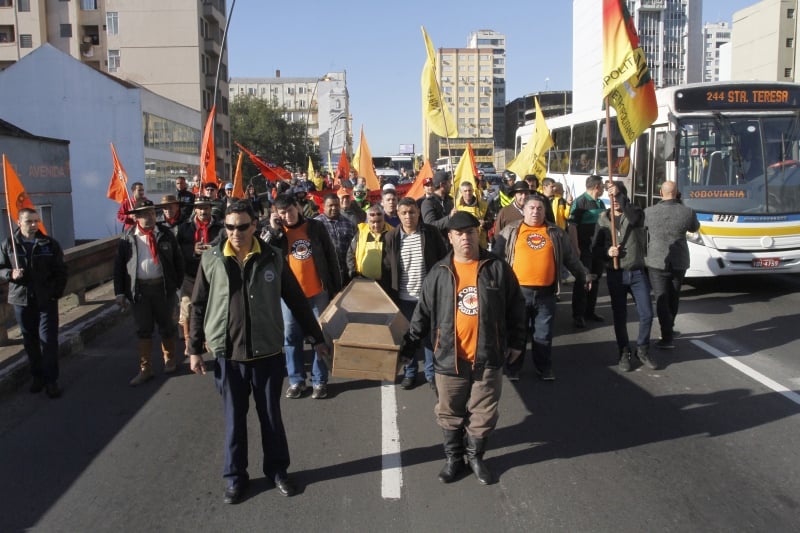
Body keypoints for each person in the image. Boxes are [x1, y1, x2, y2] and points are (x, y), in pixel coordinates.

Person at [188, 201, 329, 504]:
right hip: (229, 356)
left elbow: (297, 301)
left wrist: (317, 338)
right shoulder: (212, 259)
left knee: (271, 418)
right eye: (229, 227)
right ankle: (235, 478)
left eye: (242, 226)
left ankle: (278, 471)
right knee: (234, 420)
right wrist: (194, 349)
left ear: (254, 224)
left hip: (266, 354)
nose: (235, 232)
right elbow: (198, 305)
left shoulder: (273, 258)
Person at [399, 212, 526, 485]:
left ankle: (476, 457)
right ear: (450, 237)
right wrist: (409, 346)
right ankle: (453, 459)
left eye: (470, 232)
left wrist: (517, 342)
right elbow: (422, 313)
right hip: (449, 358)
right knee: (449, 412)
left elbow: (516, 307)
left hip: (488, 356)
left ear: (477, 234)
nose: (465, 238)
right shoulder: (439, 272)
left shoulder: (497, 267)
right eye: (459, 234)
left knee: (483, 413)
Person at [493, 196, 589, 381]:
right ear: (524, 210)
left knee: (543, 335)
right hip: (518, 293)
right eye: (531, 208)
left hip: (546, 294)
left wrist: (584, 275)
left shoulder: (556, 232)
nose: (535, 211)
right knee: (516, 334)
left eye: (539, 208)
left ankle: (543, 367)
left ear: (545, 211)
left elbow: (571, 258)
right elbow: (495, 257)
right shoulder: (511, 230)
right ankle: (513, 368)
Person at [267, 193, 342, 399]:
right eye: (282, 212)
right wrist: (274, 231)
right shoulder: (276, 232)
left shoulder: (315, 227)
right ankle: (296, 381)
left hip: (318, 291)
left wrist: (336, 287)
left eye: (290, 210)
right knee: (291, 338)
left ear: (298, 208)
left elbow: (330, 256)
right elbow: (264, 253)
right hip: (290, 297)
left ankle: (319, 381)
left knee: (321, 337)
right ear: (276, 214)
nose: (287, 215)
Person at [114, 199, 185, 385]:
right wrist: (120, 292)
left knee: (167, 325)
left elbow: (178, 260)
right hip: (140, 291)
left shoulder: (166, 234)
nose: (150, 217)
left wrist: (176, 283)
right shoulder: (128, 238)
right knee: (143, 329)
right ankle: (146, 368)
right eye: (145, 214)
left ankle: (169, 359)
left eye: (152, 213)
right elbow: (119, 267)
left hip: (162, 287)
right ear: (136, 217)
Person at [0, 208, 67, 398]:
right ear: (19, 222)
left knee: (48, 340)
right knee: (30, 340)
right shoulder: (9, 244)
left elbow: (61, 270)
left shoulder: (49, 244)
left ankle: (51, 380)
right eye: (29, 221)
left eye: (36, 221)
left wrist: (56, 292)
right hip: (21, 299)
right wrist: (9, 274)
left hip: (46, 299)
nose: (33, 225)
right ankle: (37, 376)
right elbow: (1, 267)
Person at [383, 197, 447, 390]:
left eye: (412, 212)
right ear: (398, 215)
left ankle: (431, 374)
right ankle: (409, 373)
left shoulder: (431, 233)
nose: (408, 216)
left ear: (418, 213)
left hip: (428, 298)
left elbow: (443, 260)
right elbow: (387, 268)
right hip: (404, 298)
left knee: (429, 337)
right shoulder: (391, 237)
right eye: (404, 213)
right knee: (407, 337)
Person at [592, 181, 656, 372]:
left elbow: (636, 218)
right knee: (620, 316)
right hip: (616, 274)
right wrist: (607, 253)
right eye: (611, 197)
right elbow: (595, 249)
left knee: (647, 314)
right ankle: (624, 352)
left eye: (618, 197)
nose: (615, 201)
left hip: (636, 272)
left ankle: (642, 349)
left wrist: (620, 193)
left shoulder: (635, 213)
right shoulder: (603, 219)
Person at [645, 181, 700, 349]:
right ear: (677, 194)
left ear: (661, 193)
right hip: (679, 260)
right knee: (674, 296)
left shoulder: (649, 212)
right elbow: (695, 227)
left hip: (656, 260)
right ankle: (669, 328)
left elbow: (643, 229)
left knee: (661, 297)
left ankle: (667, 335)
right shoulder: (687, 211)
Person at [176, 198, 223, 354]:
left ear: (211, 209)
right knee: (188, 308)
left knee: (211, 308)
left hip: (212, 275)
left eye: (206, 208)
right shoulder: (184, 228)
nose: (203, 211)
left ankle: (209, 339)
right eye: (200, 208)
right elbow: (177, 250)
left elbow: (225, 243)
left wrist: (212, 247)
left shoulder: (220, 227)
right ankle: (189, 342)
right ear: (195, 210)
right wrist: (192, 250)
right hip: (191, 275)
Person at [568, 175, 607, 328]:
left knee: (595, 280)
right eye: (602, 186)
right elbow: (572, 226)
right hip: (584, 248)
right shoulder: (580, 202)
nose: (603, 188)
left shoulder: (601, 203)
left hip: (598, 248)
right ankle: (578, 314)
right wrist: (575, 247)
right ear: (597, 186)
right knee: (583, 281)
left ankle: (590, 311)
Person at [315, 193, 357, 286]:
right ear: (323, 206)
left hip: (346, 272)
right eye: (331, 205)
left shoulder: (349, 224)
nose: (334, 208)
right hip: (326, 273)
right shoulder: (316, 224)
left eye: (336, 205)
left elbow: (355, 248)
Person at [346, 204, 388, 280]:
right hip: (363, 279)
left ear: (384, 219)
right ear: (368, 221)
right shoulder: (361, 233)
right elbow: (351, 253)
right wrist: (354, 272)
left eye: (379, 221)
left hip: (386, 281)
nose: (376, 225)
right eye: (373, 222)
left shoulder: (392, 232)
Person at [456, 180, 491, 249]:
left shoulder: (483, 205)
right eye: (465, 191)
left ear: (472, 191)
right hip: (465, 245)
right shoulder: (456, 208)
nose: (468, 193)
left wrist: (485, 224)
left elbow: (491, 222)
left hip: (481, 244)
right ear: (461, 192)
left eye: (469, 190)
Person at [421, 170, 456, 237]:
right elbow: (430, 226)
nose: (451, 185)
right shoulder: (428, 203)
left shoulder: (450, 200)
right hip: (438, 244)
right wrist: (449, 217)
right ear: (442, 185)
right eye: (449, 182)